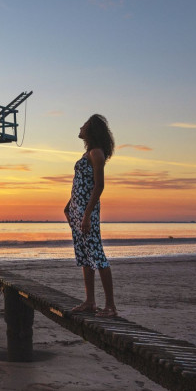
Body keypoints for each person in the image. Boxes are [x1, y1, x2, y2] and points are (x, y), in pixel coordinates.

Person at [64, 114, 117, 318]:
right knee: (85, 257)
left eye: (84, 125)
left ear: (91, 130)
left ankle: (110, 306)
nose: (81, 127)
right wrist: (68, 206)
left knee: (97, 256)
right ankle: (90, 301)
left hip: (87, 213)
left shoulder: (96, 153)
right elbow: (80, 184)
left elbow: (99, 186)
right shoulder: (88, 153)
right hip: (77, 212)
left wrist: (86, 215)